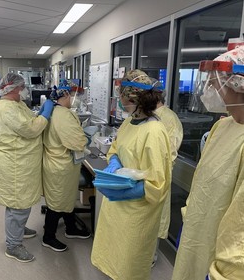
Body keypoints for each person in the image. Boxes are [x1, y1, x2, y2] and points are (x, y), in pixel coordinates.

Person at [91, 69, 172, 280]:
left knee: (129, 265)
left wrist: (128, 191)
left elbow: (158, 183)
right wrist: (114, 162)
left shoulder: (154, 132)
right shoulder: (129, 122)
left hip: (137, 213)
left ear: (129, 97)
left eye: (120, 95)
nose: (118, 99)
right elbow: (115, 147)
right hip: (116, 208)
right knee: (113, 258)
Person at [172, 46, 244, 280]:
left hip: (223, 259)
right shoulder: (222, 126)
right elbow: (203, 182)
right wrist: (190, 217)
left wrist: (226, 273)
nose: (209, 89)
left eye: (215, 82)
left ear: (238, 85)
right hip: (197, 234)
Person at [0, 72, 54, 262]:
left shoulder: (15, 104)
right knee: (18, 204)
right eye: (22, 87)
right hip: (15, 164)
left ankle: (18, 229)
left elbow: (29, 119)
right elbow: (31, 129)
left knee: (21, 202)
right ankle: (13, 245)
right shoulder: (8, 109)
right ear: (15, 88)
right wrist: (46, 113)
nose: (25, 90)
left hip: (20, 161)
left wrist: (40, 112)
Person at [42, 84, 90, 252]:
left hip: (57, 162)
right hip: (60, 165)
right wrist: (86, 140)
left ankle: (71, 228)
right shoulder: (63, 115)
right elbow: (76, 141)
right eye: (71, 96)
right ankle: (48, 237)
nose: (73, 100)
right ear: (65, 97)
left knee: (65, 198)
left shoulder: (53, 112)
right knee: (57, 202)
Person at [152, 84, 184, 266]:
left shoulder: (170, 119)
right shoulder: (147, 116)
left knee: (155, 218)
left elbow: (169, 151)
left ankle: (150, 256)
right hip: (143, 176)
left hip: (158, 176)